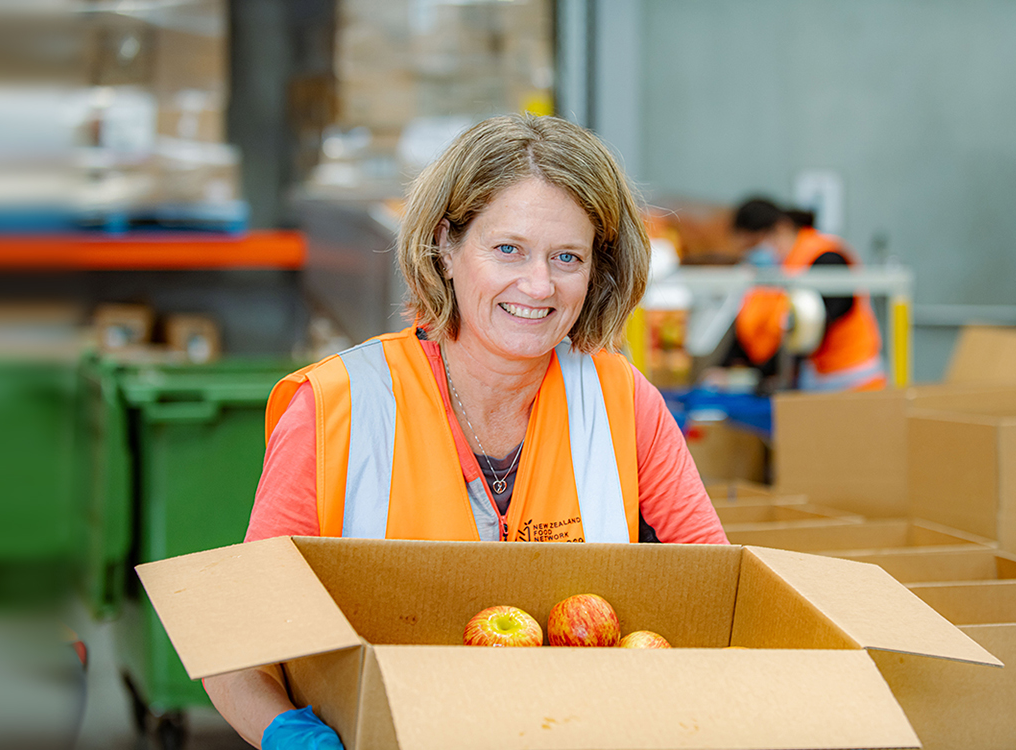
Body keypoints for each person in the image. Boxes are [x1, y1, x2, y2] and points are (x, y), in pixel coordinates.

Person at [205, 114, 727, 750]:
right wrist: (285, 732)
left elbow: (716, 597)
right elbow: (237, 645)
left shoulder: (621, 401)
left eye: (568, 257)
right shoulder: (338, 406)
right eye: (508, 249)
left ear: (598, 271)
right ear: (445, 248)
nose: (539, 286)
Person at [728, 198, 886, 392]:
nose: (755, 254)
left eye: (755, 244)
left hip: (854, 378)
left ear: (781, 229)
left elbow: (811, 327)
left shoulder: (825, 257)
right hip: (822, 378)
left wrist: (765, 371)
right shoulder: (787, 268)